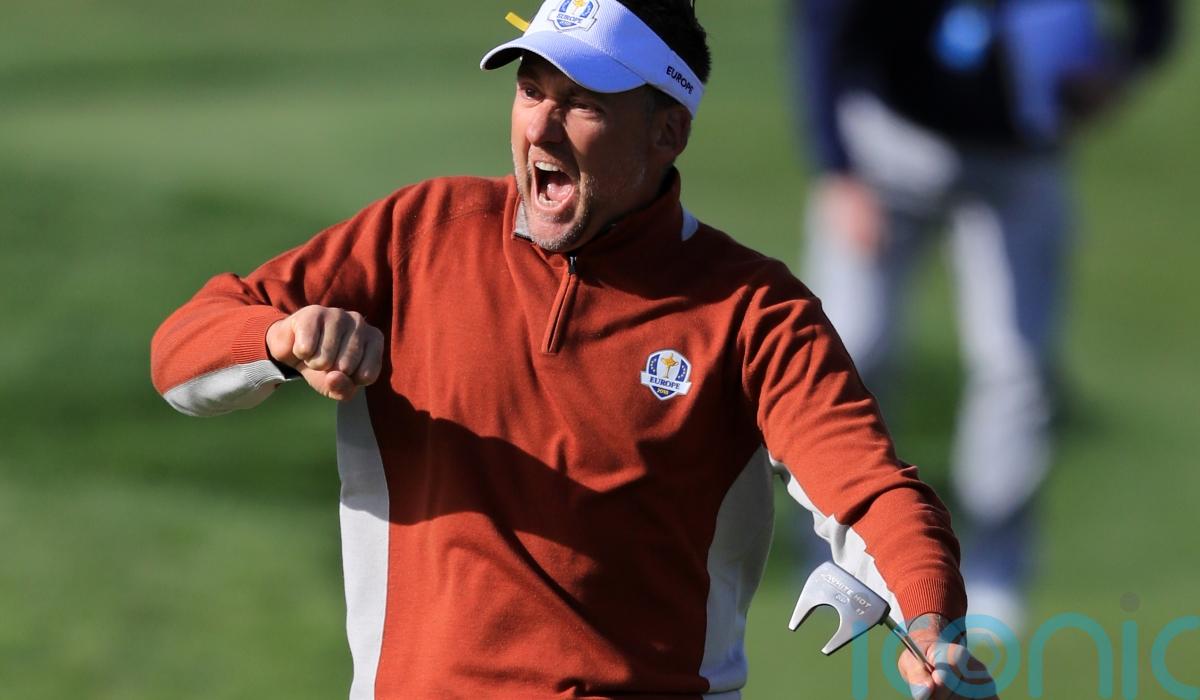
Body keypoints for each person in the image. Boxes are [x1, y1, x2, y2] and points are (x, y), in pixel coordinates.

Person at [152, 1, 997, 697]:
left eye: (584, 101)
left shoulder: (754, 309)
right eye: (531, 89)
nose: (542, 127)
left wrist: (930, 624)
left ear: (668, 132)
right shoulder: (420, 233)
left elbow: (871, 489)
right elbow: (182, 352)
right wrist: (278, 339)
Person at [793, 0, 1176, 631]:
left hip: (1020, 159)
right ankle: (834, 553)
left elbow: (1154, 20)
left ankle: (993, 573)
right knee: (852, 350)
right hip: (886, 141)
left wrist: (1123, 67)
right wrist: (838, 172)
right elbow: (821, 25)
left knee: (1016, 364)